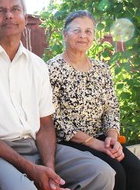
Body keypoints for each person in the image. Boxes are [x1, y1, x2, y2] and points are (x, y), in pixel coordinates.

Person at [0, 0, 116, 190]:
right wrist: (31, 169)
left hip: (36, 146)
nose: (9, 15)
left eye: (15, 9)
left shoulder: (37, 65)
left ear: (25, 16)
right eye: (0, 11)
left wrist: (49, 169)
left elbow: (45, 123)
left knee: (102, 173)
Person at [47, 10, 140, 190]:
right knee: (116, 174)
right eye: (77, 30)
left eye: (88, 31)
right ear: (65, 35)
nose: (83, 35)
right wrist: (93, 142)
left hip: (101, 138)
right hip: (70, 142)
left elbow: (112, 107)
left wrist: (112, 138)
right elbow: (54, 117)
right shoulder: (53, 68)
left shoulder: (101, 69)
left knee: (136, 170)